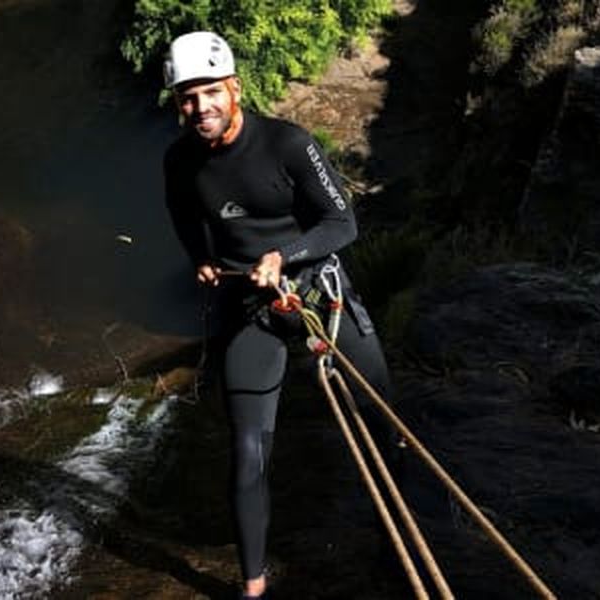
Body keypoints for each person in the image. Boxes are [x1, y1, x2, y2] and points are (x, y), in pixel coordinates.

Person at [162, 31, 396, 599]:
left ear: (235, 88)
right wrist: (202, 260)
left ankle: (397, 547)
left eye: (211, 93)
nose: (201, 108)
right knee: (246, 454)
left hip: (320, 297)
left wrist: (283, 256)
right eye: (188, 98)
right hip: (251, 310)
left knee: (384, 426)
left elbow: (343, 224)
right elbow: (183, 215)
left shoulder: (286, 144)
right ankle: (254, 586)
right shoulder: (181, 161)